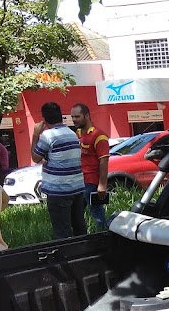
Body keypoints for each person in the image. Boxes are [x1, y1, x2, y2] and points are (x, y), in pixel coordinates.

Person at [32, 102, 86, 239]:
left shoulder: (48, 136)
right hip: (76, 188)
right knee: (79, 227)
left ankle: (67, 252)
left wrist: (35, 134)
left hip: (59, 191)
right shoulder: (72, 133)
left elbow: (35, 157)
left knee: (62, 231)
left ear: (44, 120)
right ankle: (84, 249)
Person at [70, 103, 110, 231]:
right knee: (75, 215)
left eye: (77, 116)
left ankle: (103, 236)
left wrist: (102, 185)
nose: (74, 120)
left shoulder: (99, 136)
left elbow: (104, 160)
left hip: (91, 183)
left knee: (97, 213)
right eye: (72, 117)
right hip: (78, 182)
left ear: (87, 116)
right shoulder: (78, 133)